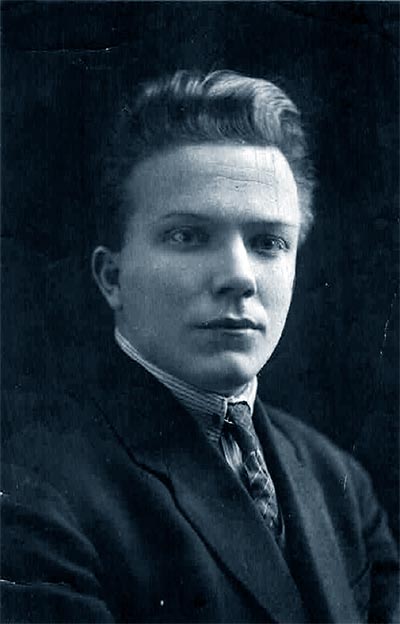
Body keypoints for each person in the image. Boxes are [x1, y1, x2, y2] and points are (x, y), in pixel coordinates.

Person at [1, 70, 398, 623]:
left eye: (268, 242)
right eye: (187, 236)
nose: (239, 277)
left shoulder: (339, 483)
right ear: (112, 277)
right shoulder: (34, 490)